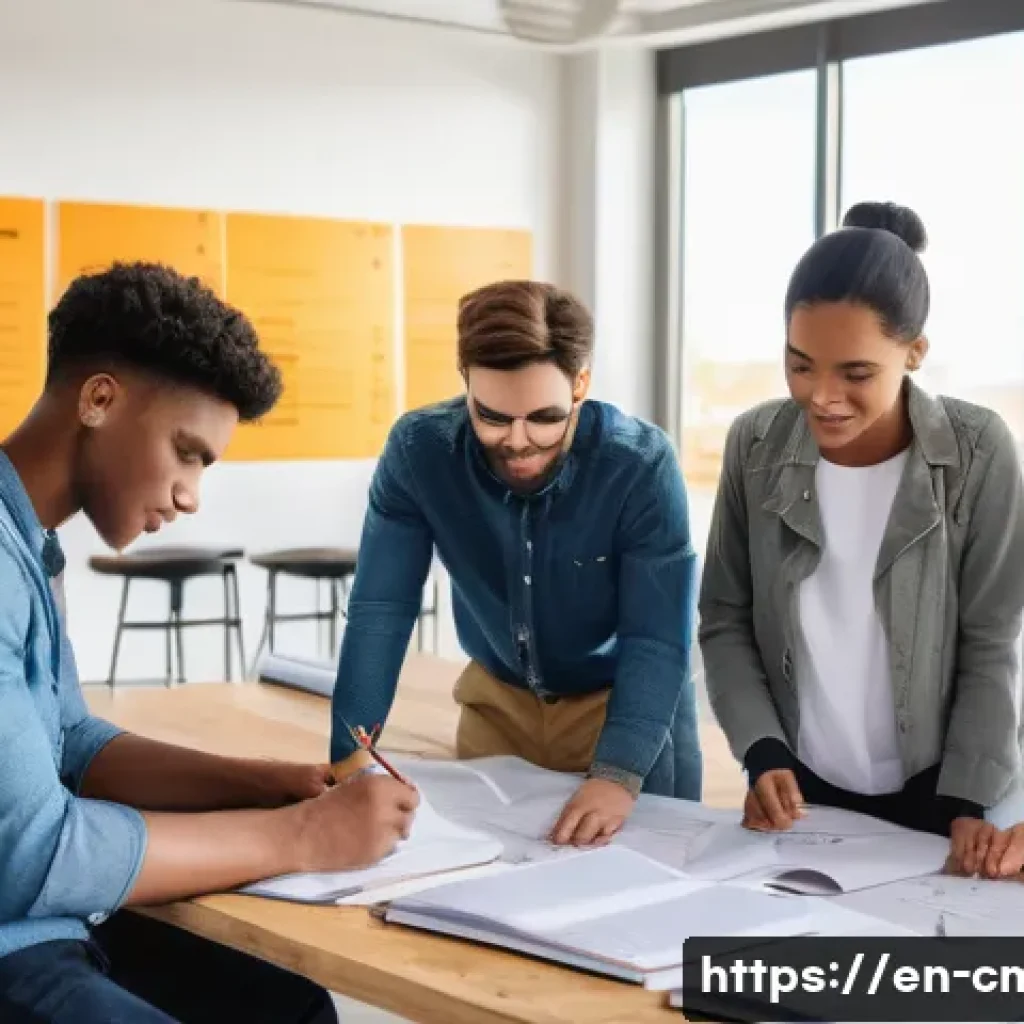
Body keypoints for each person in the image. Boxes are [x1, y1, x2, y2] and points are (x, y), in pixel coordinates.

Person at [0, 262, 419, 1024]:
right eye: (187, 451)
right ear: (99, 400)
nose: (191, 495)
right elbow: (36, 854)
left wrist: (262, 784)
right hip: (17, 938)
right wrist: (302, 835)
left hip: (56, 926)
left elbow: (72, 745)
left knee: (295, 1011)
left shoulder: (30, 545)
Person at [698, 201, 1024, 880]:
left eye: (855, 374)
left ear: (914, 353)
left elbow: (992, 638)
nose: (822, 396)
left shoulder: (979, 451)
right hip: (804, 791)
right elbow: (725, 618)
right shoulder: (754, 445)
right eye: (800, 365)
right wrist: (762, 752)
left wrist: (969, 798)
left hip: (948, 792)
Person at [330, 279, 701, 846]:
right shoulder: (418, 452)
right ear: (466, 380)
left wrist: (618, 774)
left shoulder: (641, 466)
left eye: (545, 417)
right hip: (496, 706)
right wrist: (352, 750)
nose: (518, 441)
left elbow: (655, 637)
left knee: (639, 877)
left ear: (581, 384)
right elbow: (382, 607)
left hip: (620, 709)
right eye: (493, 416)